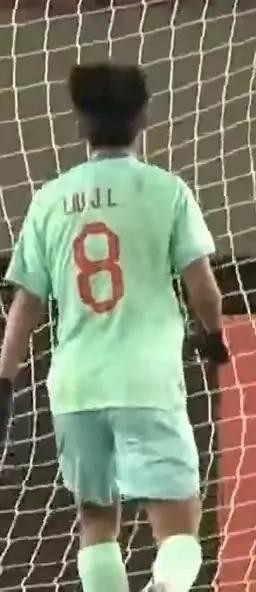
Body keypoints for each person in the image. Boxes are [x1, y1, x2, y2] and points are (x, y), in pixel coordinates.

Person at [0, 63, 229, 592]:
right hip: (146, 381)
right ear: (143, 117)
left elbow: (25, 304)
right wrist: (212, 334)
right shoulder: (166, 191)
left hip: (76, 386)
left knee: (97, 524)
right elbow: (203, 288)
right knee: (179, 531)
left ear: (81, 123)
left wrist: (5, 377)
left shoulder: (50, 199)